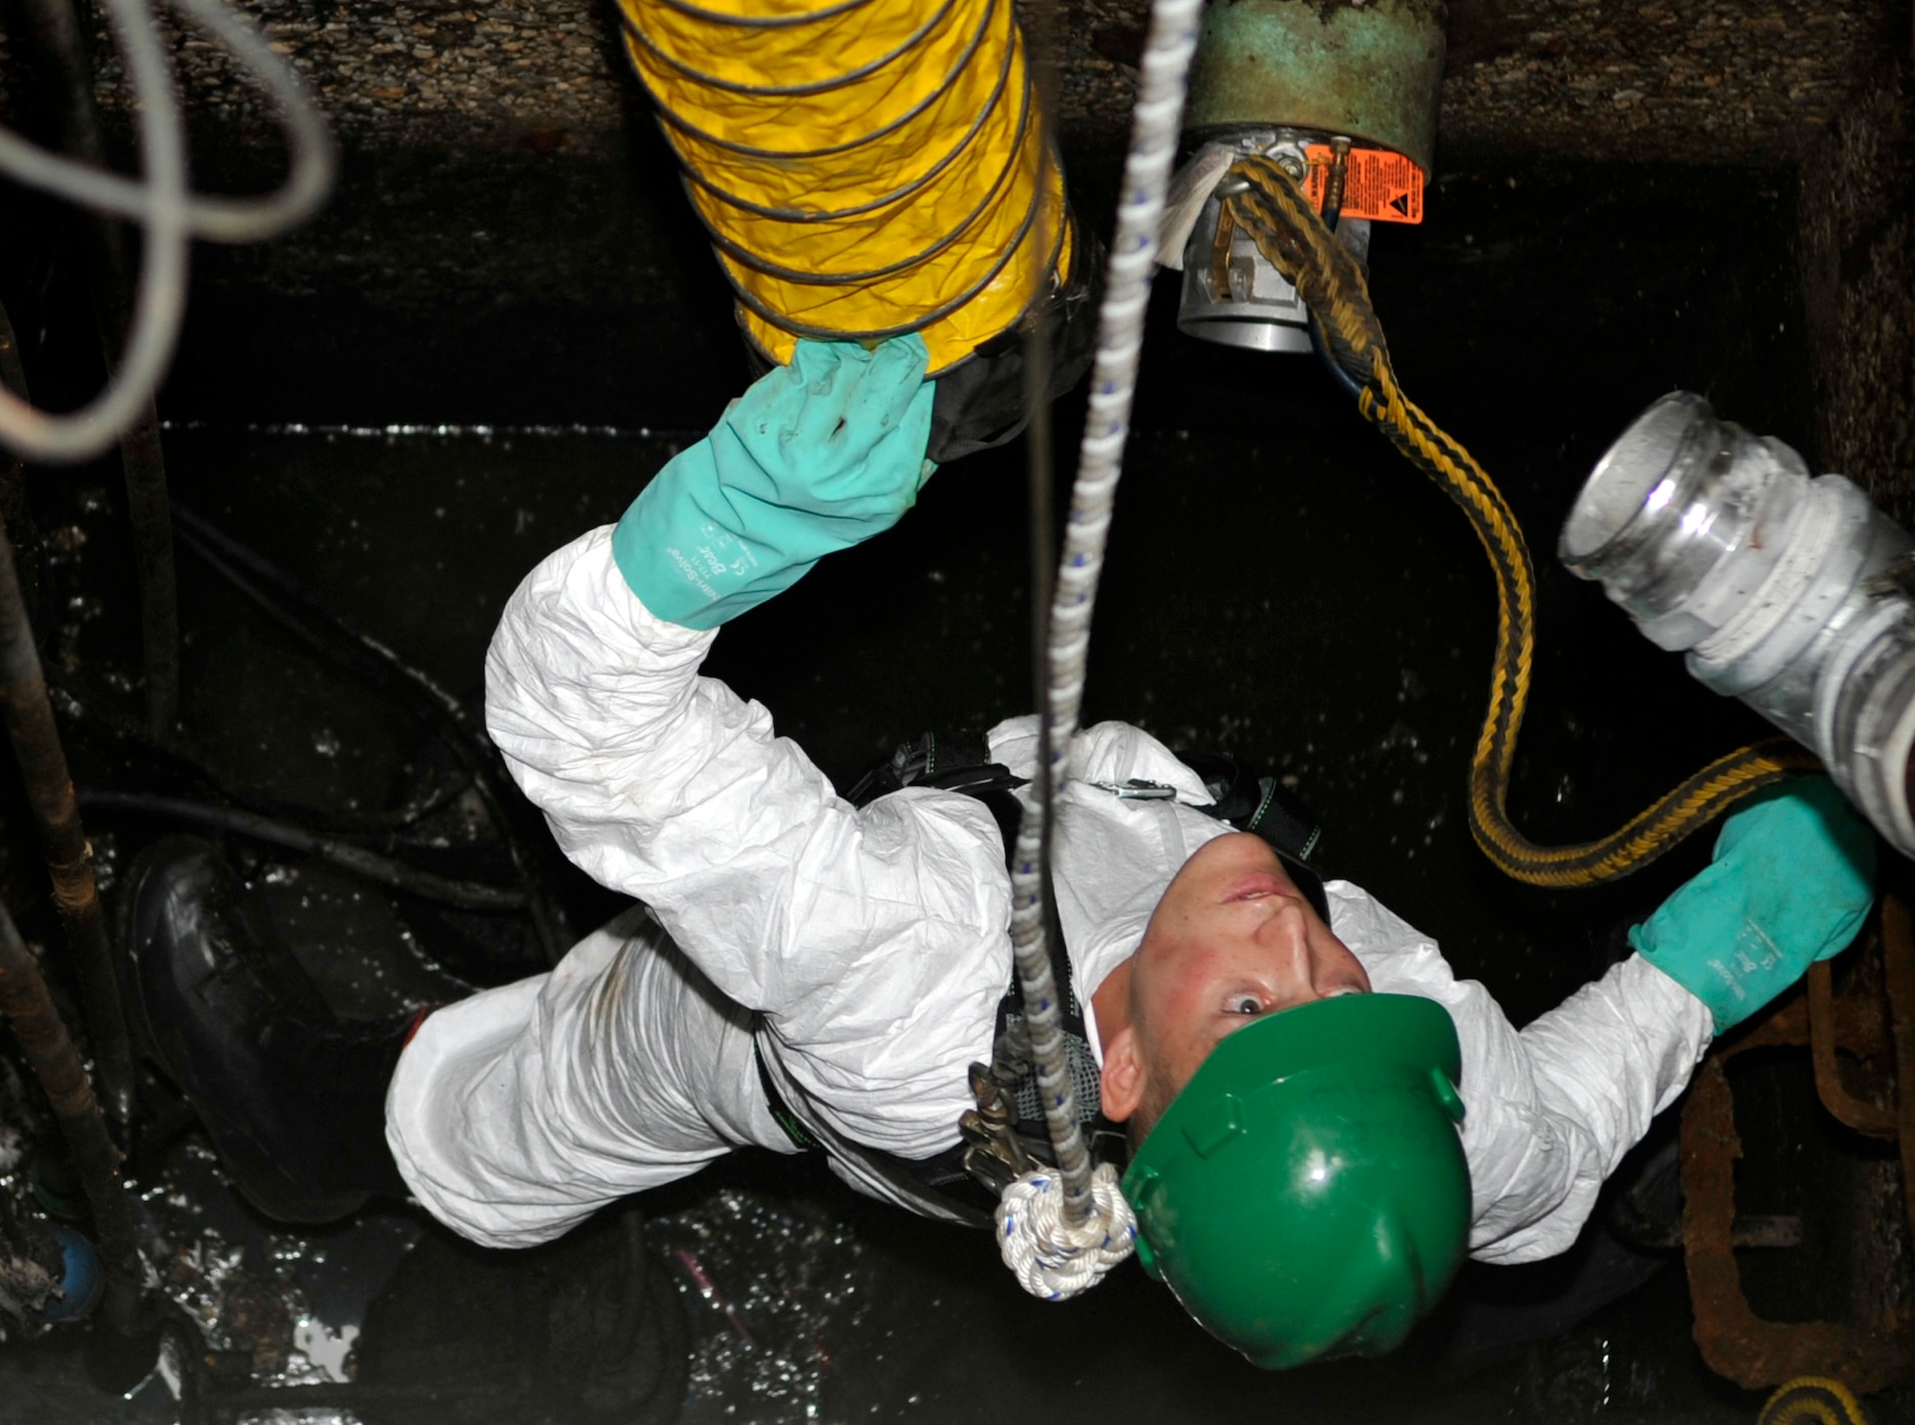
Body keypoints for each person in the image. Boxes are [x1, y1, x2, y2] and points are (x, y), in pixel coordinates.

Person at [121, 335, 1877, 1369]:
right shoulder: (1433, 1089)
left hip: (818, 1060)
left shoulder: (898, 958)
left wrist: (725, 533)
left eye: (1255, 1018)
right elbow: (1554, 1146)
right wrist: (1699, 965)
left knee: (601, 1052)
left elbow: (579, 714)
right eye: (1341, 993)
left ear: (1120, 1065)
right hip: (1061, 830)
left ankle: (338, 1133)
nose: (1309, 948)